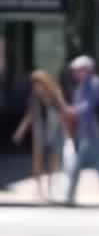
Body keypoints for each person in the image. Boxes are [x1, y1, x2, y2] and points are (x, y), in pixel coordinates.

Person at [63, 55, 99, 208]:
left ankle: (69, 197)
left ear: (86, 70)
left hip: (94, 133)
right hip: (86, 133)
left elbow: (91, 104)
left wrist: (74, 110)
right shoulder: (82, 86)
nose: (75, 73)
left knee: (78, 166)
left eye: (78, 70)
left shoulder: (93, 84)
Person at [11, 69, 69, 201]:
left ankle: (51, 188)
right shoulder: (34, 96)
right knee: (37, 161)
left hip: (54, 130)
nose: (35, 86)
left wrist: (66, 132)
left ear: (44, 83)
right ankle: (39, 189)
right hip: (40, 131)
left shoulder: (55, 93)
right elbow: (30, 115)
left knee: (53, 161)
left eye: (38, 83)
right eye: (34, 84)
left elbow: (63, 111)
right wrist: (21, 130)